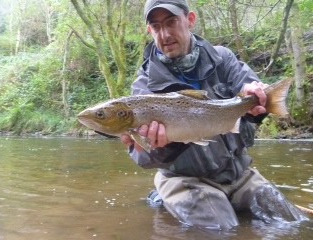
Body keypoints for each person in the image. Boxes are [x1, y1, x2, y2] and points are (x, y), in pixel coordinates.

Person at [120, 0, 307, 230]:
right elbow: (142, 159)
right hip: (185, 181)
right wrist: (162, 145)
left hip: (240, 175)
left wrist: (255, 97)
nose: (165, 34)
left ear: (190, 20)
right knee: (222, 230)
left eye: (171, 22)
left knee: (292, 224)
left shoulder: (222, 58)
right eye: (157, 27)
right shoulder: (144, 87)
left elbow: (247, 86)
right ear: (150, 31)